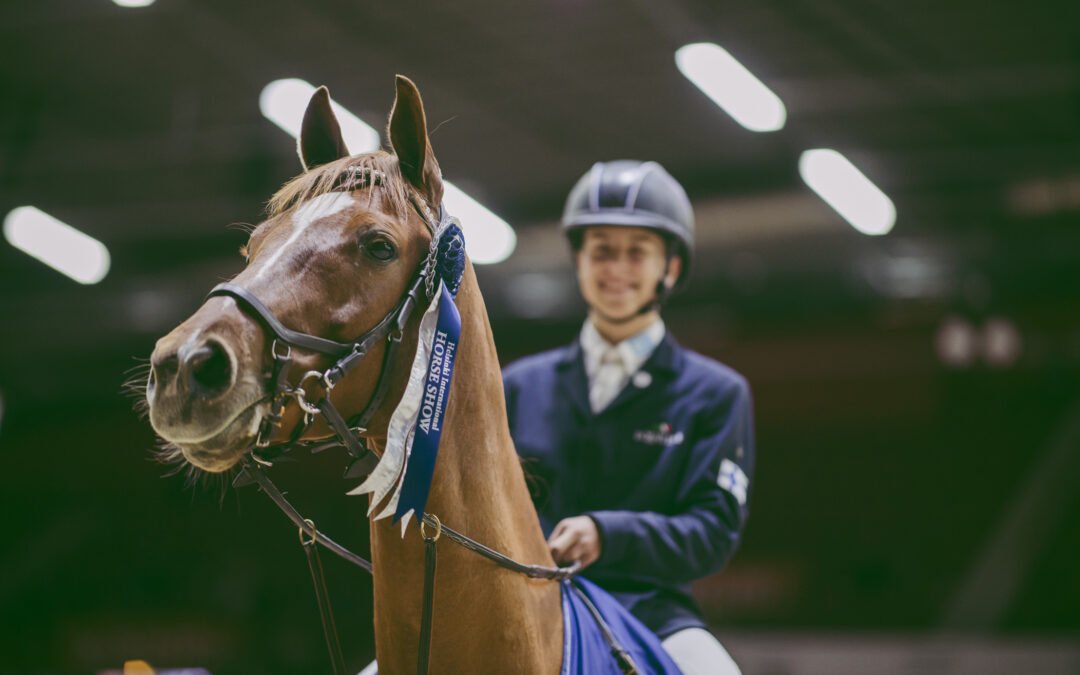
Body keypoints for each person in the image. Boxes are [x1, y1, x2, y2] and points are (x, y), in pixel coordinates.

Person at [502, 160, 755, 675]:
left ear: (671, 268)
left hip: (650, 611)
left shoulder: (716, 394)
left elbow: (711, 534)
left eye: (637, 252)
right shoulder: (519, 384)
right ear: (579, 260)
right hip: (521, 602)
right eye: (602, 251)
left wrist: (608, 533)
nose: (616, 269)